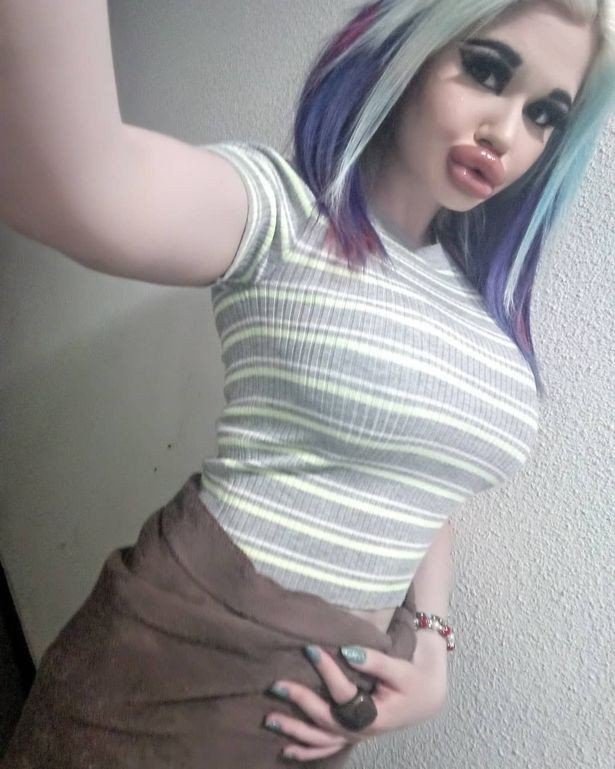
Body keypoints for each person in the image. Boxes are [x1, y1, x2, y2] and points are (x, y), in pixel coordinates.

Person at [0, 1, 613, 767]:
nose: (505, 132)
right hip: (184, 657)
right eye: (486, 72)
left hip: (329, 703)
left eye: (544, 114)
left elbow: (425, 479)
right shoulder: (284, 210)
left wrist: (431, 643)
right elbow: (72, 187)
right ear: (405, 50)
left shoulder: (478, 305)